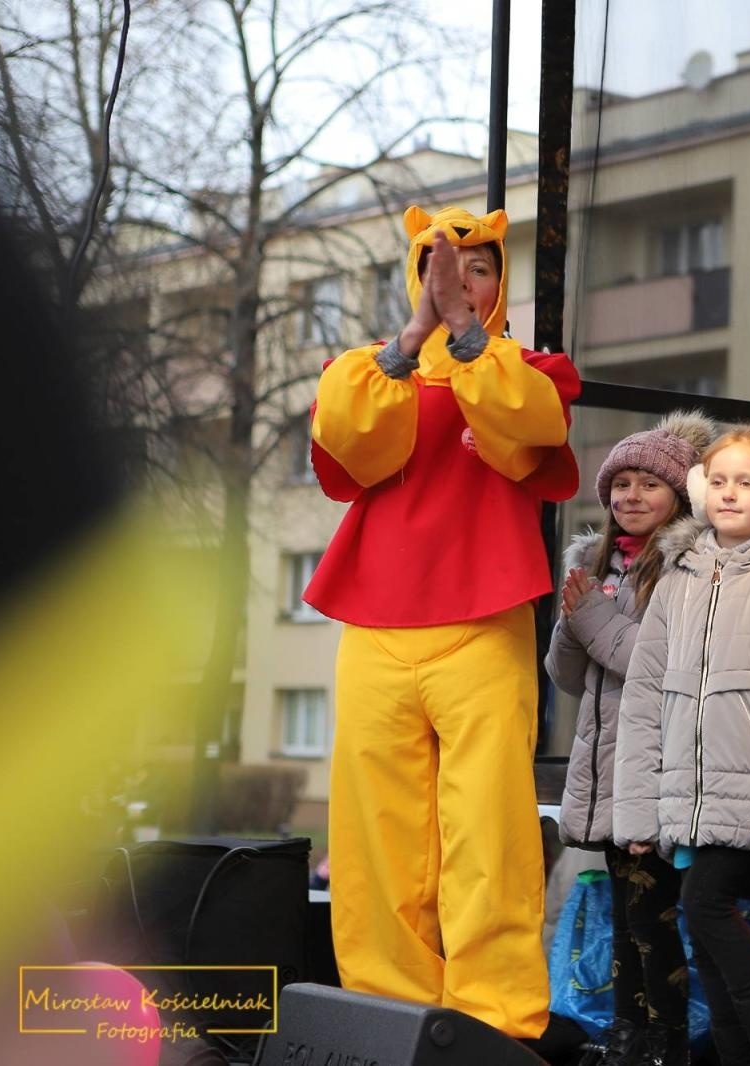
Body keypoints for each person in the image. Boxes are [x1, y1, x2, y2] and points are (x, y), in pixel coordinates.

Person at [305, 205, 579, 1039]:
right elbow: (350, 442)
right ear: (411, 277)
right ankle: (387, 1012)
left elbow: (529, 428)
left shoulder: (530, 369)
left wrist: (462, 336)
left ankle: (494, 1022)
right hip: (377, 627)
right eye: (438, 265)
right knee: (373, 834)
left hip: (483, 622)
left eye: (479, 268)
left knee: (488, 830)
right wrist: (416, 335)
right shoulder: (362, 371)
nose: (459, 278)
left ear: (500, 286)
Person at [612, 427, 750, 1066]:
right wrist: (640, 811)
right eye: (718, 480)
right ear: (700, 490)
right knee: (725, 932)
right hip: (696, 804)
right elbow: (644, 698)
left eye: (747, 482)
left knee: (708, 909)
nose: (729, 494)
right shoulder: (679, 578)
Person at [548, 411, 716, 1066]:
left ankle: (665, 1045)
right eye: (622, 483)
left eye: (649, 484)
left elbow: (659, 665)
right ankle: (626, 1037)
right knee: (625, 922)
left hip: (653, 770)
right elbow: (565, 676)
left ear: (677, 496)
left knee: (654, 924)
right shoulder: (596, 565)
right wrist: (572, 617)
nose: (632, 496)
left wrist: (589, 616)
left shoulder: (684, 568)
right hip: (607, 772)